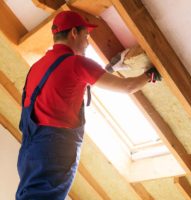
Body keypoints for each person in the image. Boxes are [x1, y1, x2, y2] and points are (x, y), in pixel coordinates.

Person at [16, 10, 161, 200]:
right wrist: (151, 75)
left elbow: (62, 89)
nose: (87, 42)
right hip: (55, 151)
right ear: (74, 33)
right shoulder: (77, 64)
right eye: (86, 36)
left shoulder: (37, 66)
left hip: (30, 151)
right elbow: (128, 87)